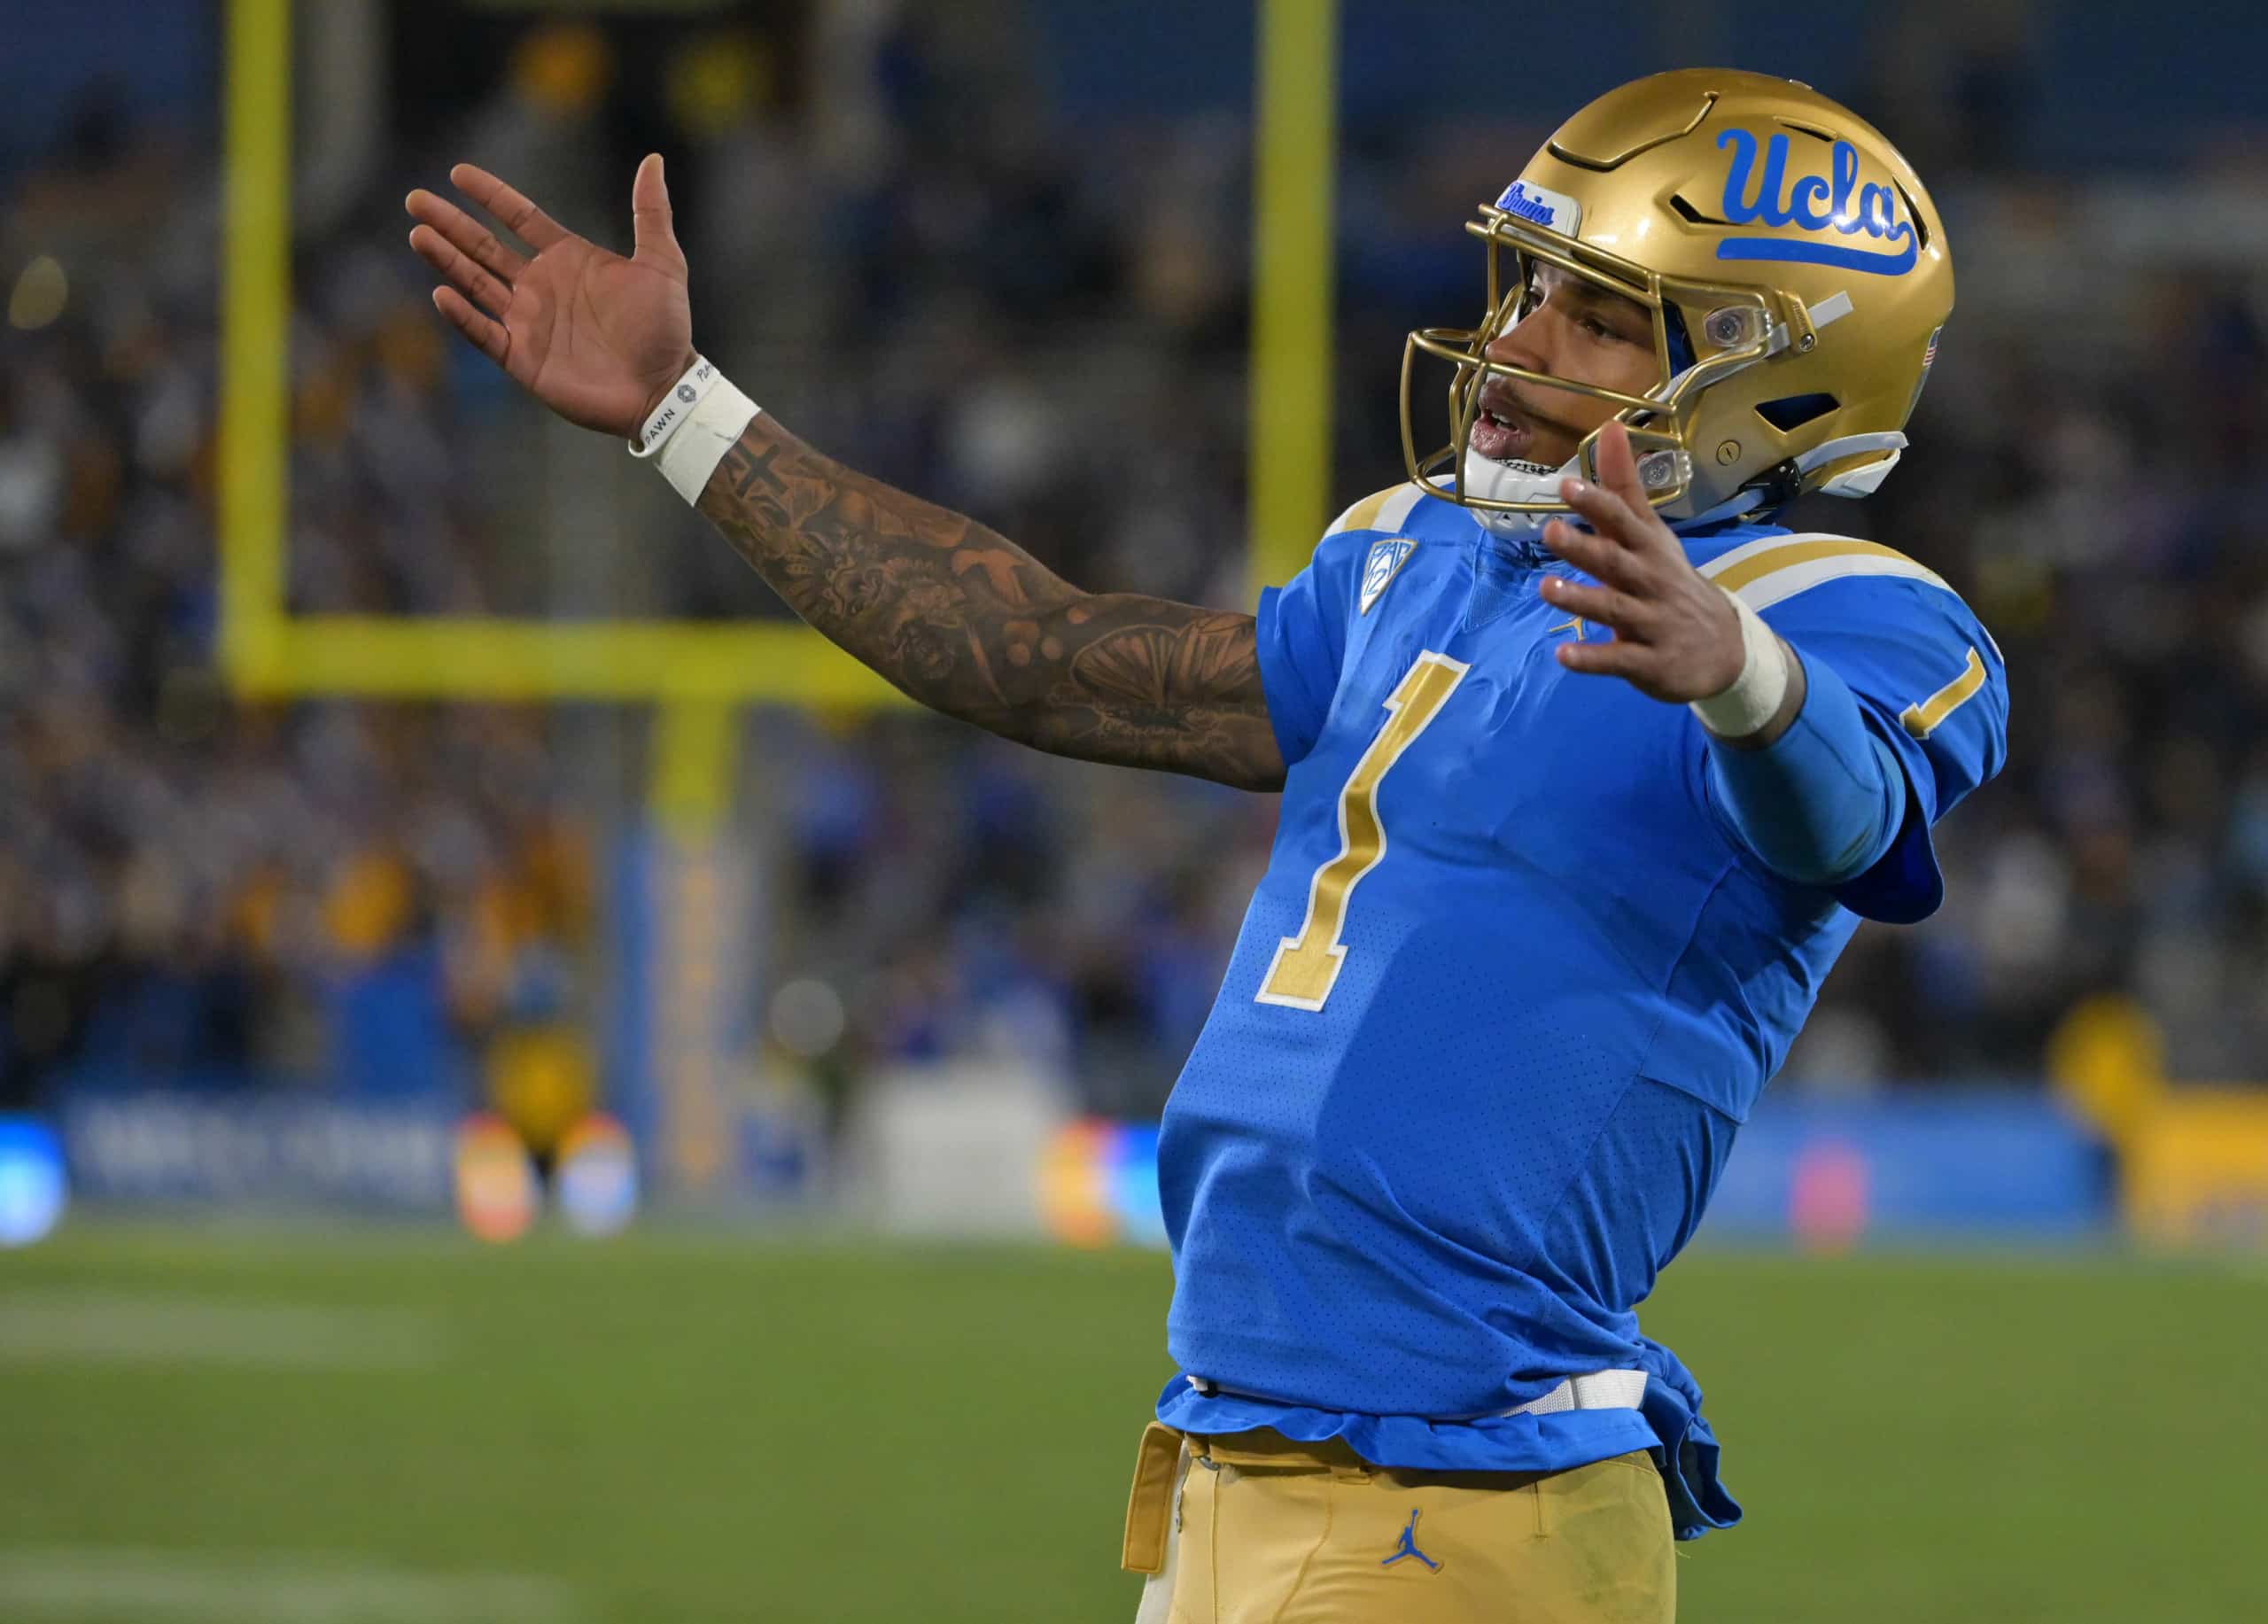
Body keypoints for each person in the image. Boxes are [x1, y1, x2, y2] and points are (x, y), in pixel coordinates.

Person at [408, 66, 2006, 1624]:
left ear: (1771, 373)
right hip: (1242, 1454)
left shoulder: (1840, 613)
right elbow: (1043, 657)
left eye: (1592, 310)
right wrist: (691, 419)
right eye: (1526, 285)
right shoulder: (1415, 555)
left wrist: (1737, 673)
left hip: (1465, 1499)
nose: (1515, 343)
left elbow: (1852, 813)